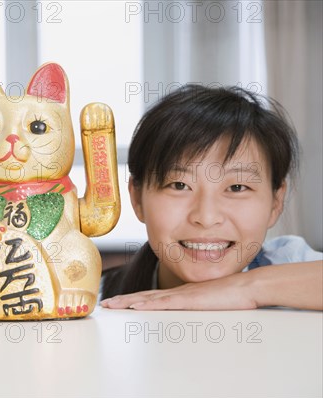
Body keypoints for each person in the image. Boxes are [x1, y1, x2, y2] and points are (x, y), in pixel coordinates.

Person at [100, 85, 323, 311]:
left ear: (276, 203)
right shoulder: (94, 299)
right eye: (179, 185)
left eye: (237, 187)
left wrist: (247, 288)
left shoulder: (290, 262)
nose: (206, 218)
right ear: (137, 199)